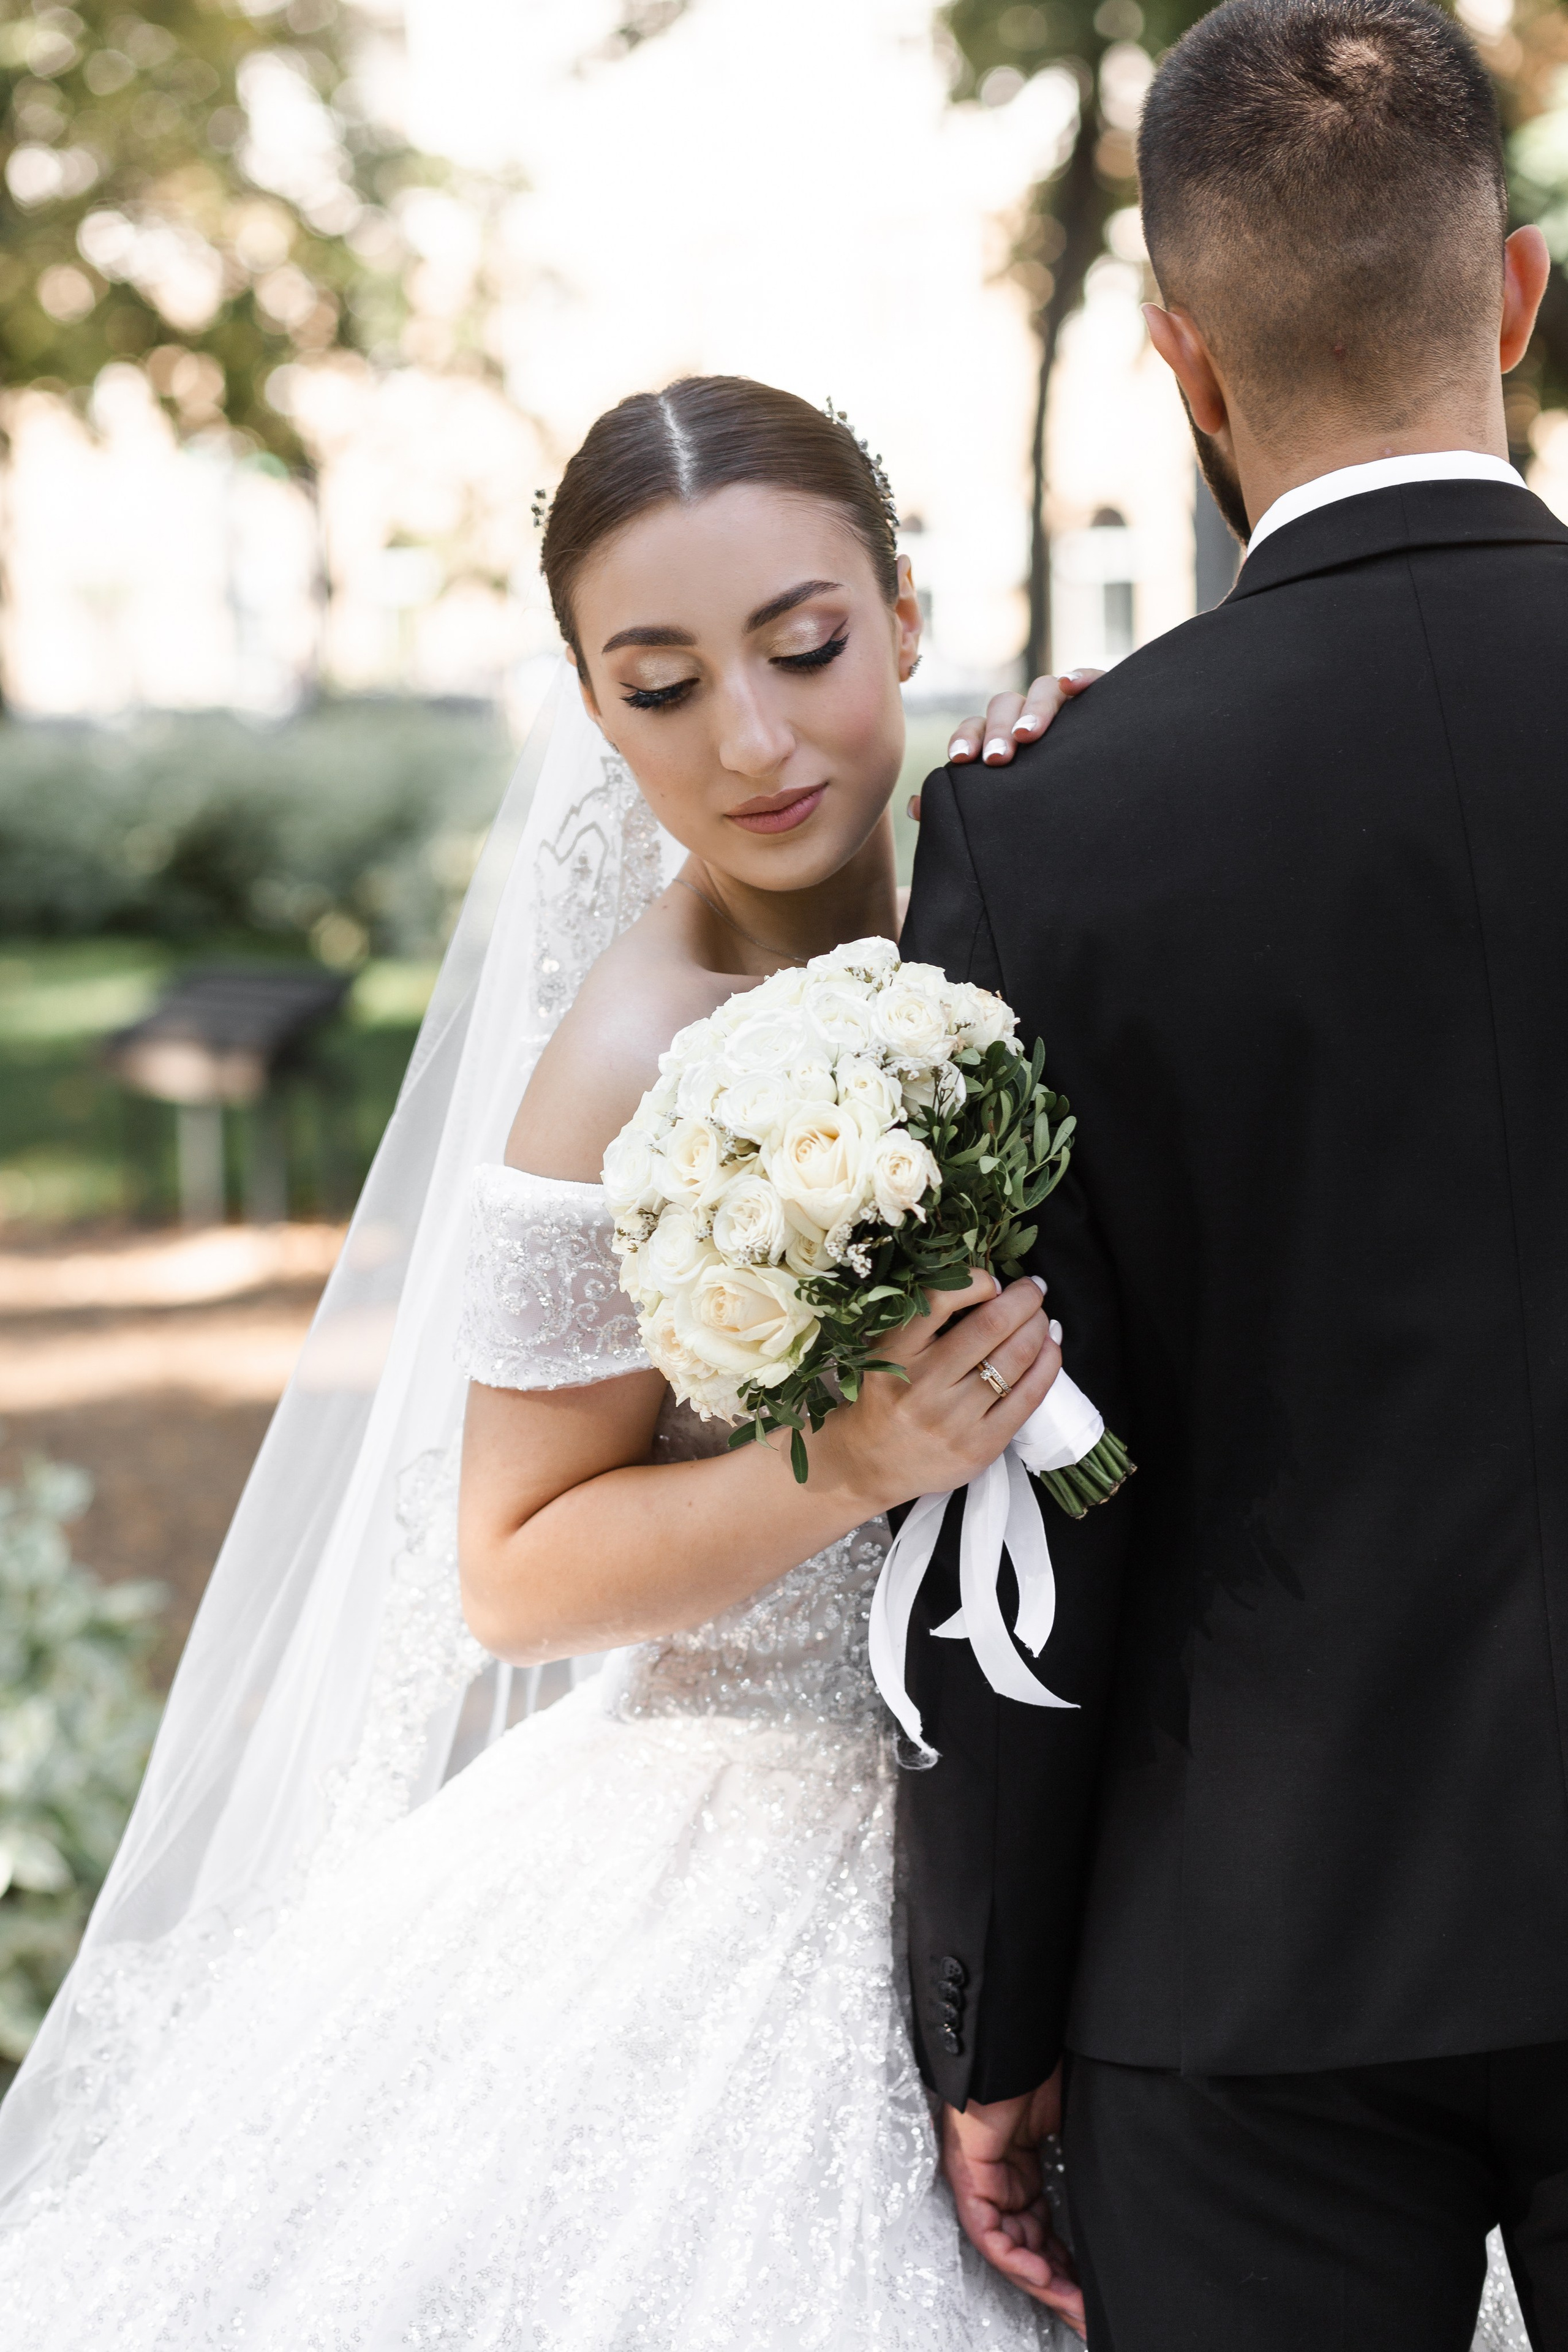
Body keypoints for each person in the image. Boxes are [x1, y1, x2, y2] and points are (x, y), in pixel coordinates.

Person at [0, 375, 1084, 2347]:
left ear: (905, 618)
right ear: (594, 709)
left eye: (807, 648)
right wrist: (837, 1467)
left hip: (1095, 1829)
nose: (754, 741)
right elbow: (513, 1571)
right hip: (760, 1866)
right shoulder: (616, 1069)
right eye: (659, 686)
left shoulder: (1042, 889)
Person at [898, 1, 1566, 2344]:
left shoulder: (1038, 823)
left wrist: (988, 2026)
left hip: (1245, 1952)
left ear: (1182, 355)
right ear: (1513, 295)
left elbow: (1006, 1471)